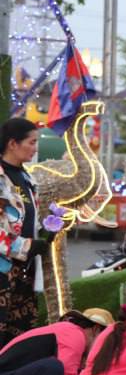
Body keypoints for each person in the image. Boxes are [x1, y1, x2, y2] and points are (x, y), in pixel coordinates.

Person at [0, 118, 50, 347]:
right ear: (13, 144)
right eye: (31, 142)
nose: (35, 148)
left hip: (25, 270)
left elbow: (27, 219)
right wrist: (27, 246)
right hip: (4, 270)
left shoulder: (27, 178)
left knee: (20, 337)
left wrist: (46, 232)